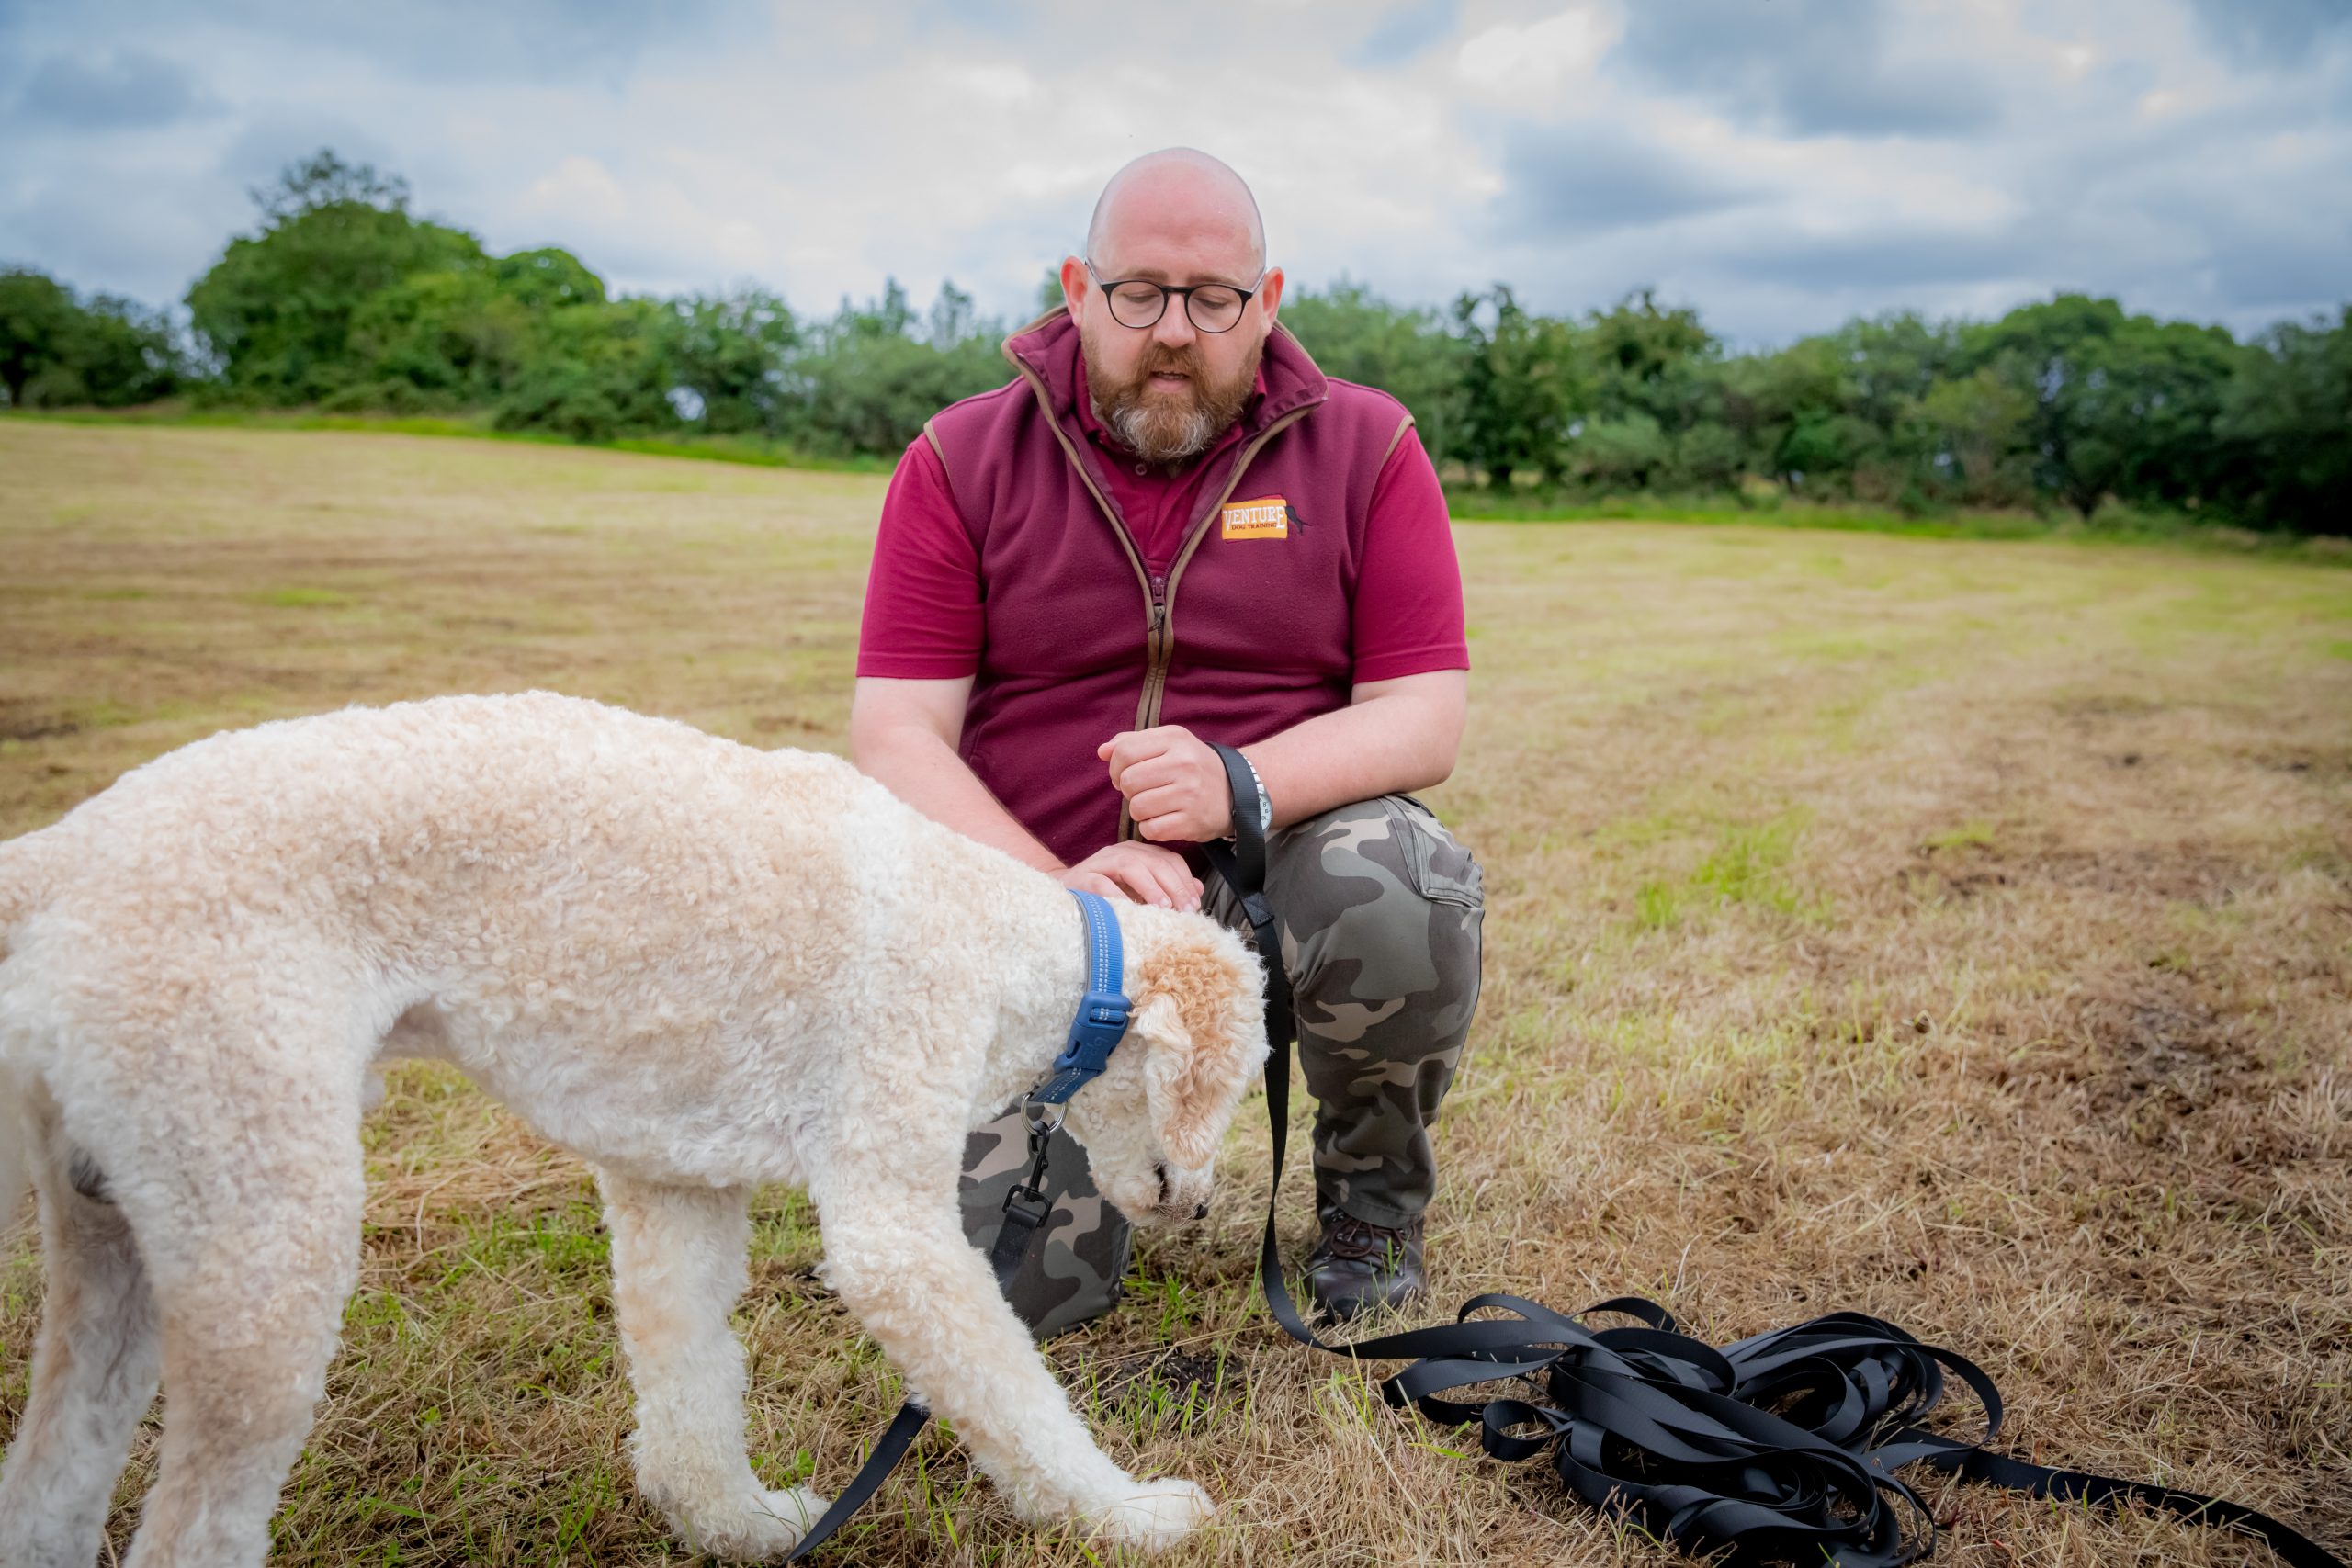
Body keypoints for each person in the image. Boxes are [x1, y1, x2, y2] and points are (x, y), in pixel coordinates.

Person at [849, 147, 1483, 1321]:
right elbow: (895, 734)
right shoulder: (959, 457)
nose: (1175, 330)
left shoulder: (1368, 447)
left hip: (1263, 881)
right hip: (1037, 903)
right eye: (1138, 293)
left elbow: (1424, 716)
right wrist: (1057, 893)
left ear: (1269, 299)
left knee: (1399, 873)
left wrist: (1239, 782)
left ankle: (1371, 1208)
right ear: (1077, 289)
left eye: (1213, 298)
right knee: (1016, 1300)